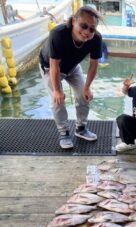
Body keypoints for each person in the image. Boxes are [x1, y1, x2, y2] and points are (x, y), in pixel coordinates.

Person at [39, 6, 102, 149]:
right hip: (50, 67)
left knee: (83, 95)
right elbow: (54, 64)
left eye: (91, 29)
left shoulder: (96, 39)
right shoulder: (58, 33)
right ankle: (64, 133)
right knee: (58, 99)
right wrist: (57, 90)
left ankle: (81, 128)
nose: (87, 32)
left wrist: (87, 87)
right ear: (74, 21)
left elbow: (93, 65)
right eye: (83, 26)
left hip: (73, 67)